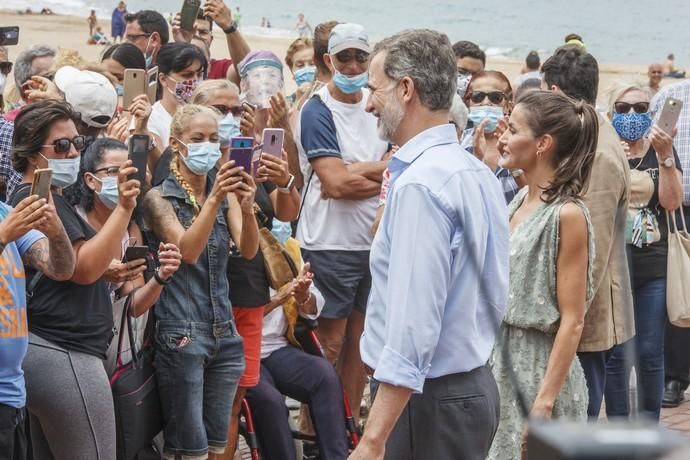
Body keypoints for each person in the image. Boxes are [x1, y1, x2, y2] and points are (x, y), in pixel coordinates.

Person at [352, 29, 507, 460]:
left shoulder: (422, 184)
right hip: (466, 387)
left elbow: (414, 325)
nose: (368, 103)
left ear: (406, 89)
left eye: (373, 89)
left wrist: (372, 439)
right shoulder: (473, 170)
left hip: (431, 398)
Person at [9, 100, 140, 459]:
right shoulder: (36, 199)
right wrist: (124, 210)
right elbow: (82, 270)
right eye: (62, 145)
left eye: (77, 143)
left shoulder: (53, 199)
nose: (73, 152)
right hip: (64, 349)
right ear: (34, 154)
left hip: (62, 348)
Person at [188, 80, 300, 460]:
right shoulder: (189, 168)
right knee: (196, 405)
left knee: (233, 404)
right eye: (222, 110)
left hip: (250, 298)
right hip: (203, 301)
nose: (231, 118)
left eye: (237, 110)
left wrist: (283, 179)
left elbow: (286, 212)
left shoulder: (251, 160)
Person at [489, 89, 599, 458]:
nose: (502, 136)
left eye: (513, 128)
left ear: (543, 143)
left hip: (538, 371)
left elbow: (573, 320)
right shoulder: (521, 198)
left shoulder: (567, 215)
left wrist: (544, 403)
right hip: (500, 364)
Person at [142, 104, 256, 459]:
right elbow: (187, 250)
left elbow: (249, 250)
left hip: (225, 332)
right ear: (176, 144)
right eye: (198, 139)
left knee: (215, 447)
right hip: (181, 333)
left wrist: (248, 207)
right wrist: (217, 198)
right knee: (188, 450)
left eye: (214, 139)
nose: (208, 146)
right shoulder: (158, 198)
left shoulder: (225, 194)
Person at [295, 22, 388, 428]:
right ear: (328, 60)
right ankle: (315, 433)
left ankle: (347, 433)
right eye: (344, 57)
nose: (352, 66)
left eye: (360, 57)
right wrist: (385, 175)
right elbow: (333, 182)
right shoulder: (316, 109)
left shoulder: (378, 104)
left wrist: (361, 171)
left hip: (372, 244)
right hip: (328, 244)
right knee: (327, 345)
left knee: (359, 347)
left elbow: (397, 168)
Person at [542, 46, 634, 419]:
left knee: (578, 412)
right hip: (578, 313)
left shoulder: (596, 150)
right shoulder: (586, 136)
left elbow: (590, 251)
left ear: (554, 93)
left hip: (585, 316)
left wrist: (567, 322)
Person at [603, 84, 683, 421]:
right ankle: (619, 425)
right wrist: (614, 160)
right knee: (617, 353)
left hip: (653, 265)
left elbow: (671, 202)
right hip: (613, 266)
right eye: (623, 107)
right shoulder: (604, 151)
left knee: (650, 352)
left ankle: (650, 425)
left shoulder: (660, 149)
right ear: (611, 113)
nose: (632, 114)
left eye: (641, 108)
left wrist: (665, 157)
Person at [72, 138, 183, 373]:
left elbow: (133, 306)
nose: (123, 178)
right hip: (72, 339)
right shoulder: (74, 221)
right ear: (91, 180)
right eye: (113, 171)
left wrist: (161, 277)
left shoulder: (131, 230)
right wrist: (101, 273)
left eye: (129, 171)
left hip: (108, 343)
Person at [0, 119, 75, 460]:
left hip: (12, 394)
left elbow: (60, 268)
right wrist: (3, 236)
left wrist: (56, 229)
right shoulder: (7, 223)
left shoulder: (5, 212)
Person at [245, 262, 349, 460]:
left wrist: (304, 296)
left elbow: (314, 305)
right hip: (238, 351)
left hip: (277, 346)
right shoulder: (226, 256)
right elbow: (232, 315)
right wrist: (280, 298)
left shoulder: (279, 248)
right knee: (270, 400)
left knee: (324, 376)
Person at [649, 79, 690, 408]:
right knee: (679, 291)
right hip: (676, 209)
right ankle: (675, 377)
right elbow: (647, 144)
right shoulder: (671, 95)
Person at [463, 70, 524, 204]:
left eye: (495, 97)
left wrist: (513, 162)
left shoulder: (523, 144)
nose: (486, 103)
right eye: (477, 97)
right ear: (468, 103)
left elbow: (531, 195)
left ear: (508, 105)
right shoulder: (458, 144)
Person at [146, 42, 207, 165]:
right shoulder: (150, 119)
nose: (195, 80)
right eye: (187, 75)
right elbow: (160, 168)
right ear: (163, 79)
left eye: (199, 74)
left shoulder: (206, 115)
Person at [4, 44, 56, 121]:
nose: (56, 83)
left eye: (59, 75)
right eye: (50, 77)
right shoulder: (11, 125)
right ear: (27, 88)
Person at [285, 38, 315, 105]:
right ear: (292, 71)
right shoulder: (286, 104)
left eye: (312, 64)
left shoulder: (333, 98)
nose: (307, 69)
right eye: (300, 65)